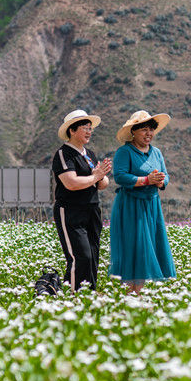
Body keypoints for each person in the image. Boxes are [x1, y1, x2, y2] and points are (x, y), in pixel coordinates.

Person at [109, 110, 176, 294]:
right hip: (131, 205)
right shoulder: (125, 152)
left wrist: (161, 181)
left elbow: (165, 175)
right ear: (134, 132)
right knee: (135, 247)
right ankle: (132, 292)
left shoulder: (156, 152)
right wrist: (146, 180)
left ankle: (140, 292)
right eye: (144, 130)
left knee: (149, 247)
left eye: (151, 130)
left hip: (151, 205)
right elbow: (120, 177)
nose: (149, 134)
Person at [51, 109, 112, 292]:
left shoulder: (90, 154)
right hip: (71, 210)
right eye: (84, 128)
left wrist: (101, 176)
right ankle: (73, 296)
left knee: (93, 255)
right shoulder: (64, 154)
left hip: (92, 209)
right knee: (80, 256)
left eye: (90, 128)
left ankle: (89, 294)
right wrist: (95, 177)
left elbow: (102, 184)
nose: (88, 132)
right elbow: (71, 183)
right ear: (72, 130)